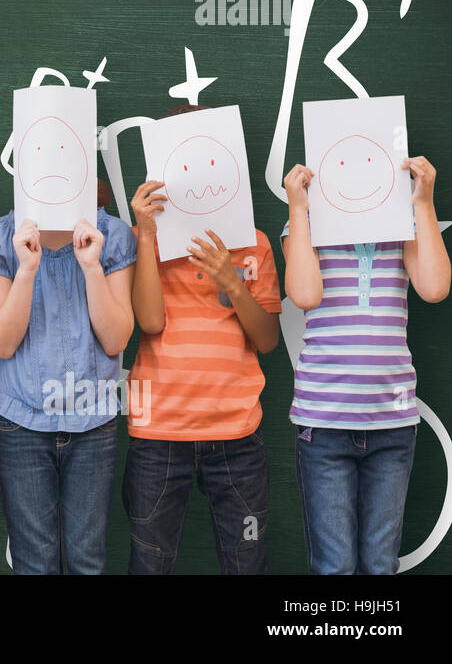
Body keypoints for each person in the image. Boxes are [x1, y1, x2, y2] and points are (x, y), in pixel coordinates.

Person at [124, 105, 282, 574]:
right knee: (149, 563)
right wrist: (147, 235)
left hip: (236, 433)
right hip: (158, 433)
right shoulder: (145, 240)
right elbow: (149, 322)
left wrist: (232, 284)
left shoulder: (255, 244)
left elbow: (268, 340)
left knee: (246, 562)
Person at [283, 154, 450, 574]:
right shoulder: (305, 223)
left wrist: (423, 203)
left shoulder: (402, 222)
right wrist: (299, 208)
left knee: (380, 564)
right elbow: (303, 294)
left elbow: (434, 287)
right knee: (333, 565)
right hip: (323, 422)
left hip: (392, 423)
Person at [0, 190, 136, 574]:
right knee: (34, 564)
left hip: (92, 423)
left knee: (87, 561)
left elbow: (117, 339)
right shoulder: (3, 235)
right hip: (21, 423)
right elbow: (1, 343)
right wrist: (26, 270)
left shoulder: (111, 235)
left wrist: (91, 267)